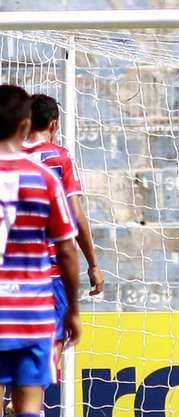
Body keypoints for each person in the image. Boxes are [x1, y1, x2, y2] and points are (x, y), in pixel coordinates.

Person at [0, 84, 80, 417]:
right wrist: (75, 311)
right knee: (29, 405)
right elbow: (66, 248)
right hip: (31, 309)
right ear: (25, 124)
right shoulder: (44, 176)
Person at [22, 93, 103, 383]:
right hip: (50, 274)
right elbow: (75, 215)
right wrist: (93, 263)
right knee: (45, 353)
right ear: (54, 125)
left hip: (11, 273)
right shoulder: (60, 158)